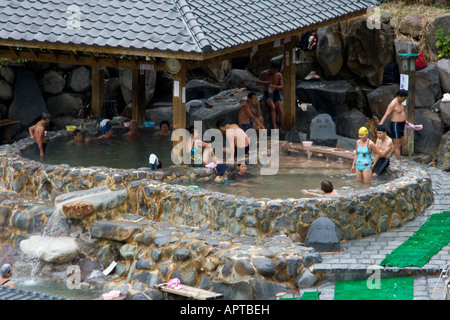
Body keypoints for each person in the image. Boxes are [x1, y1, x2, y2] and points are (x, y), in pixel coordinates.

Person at [379, 89, 411, 162]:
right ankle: (399, 161)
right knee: (397, 145)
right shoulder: (393, 104)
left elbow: (400, 113)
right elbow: (386, 114)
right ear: (399, 96)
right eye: (404, 98)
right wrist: (380, 125)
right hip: (395, 125)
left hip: (402, 123)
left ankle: (387, 155)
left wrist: (405, 121)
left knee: (400, 143)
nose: (404, 100)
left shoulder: (401, 102)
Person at [256, 60, 284, 130]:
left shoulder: (279, 75)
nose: (273, 72)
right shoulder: (265, 73)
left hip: (275, 93)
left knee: (280, 109)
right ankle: (274, 126)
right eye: (272, 70)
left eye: (275, 71)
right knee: (272, 107)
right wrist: (265, 83)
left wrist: (276, 87)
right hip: (267, 93)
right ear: (270, 68)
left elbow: (282, 86)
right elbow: (257, 82)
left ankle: (282, 125)